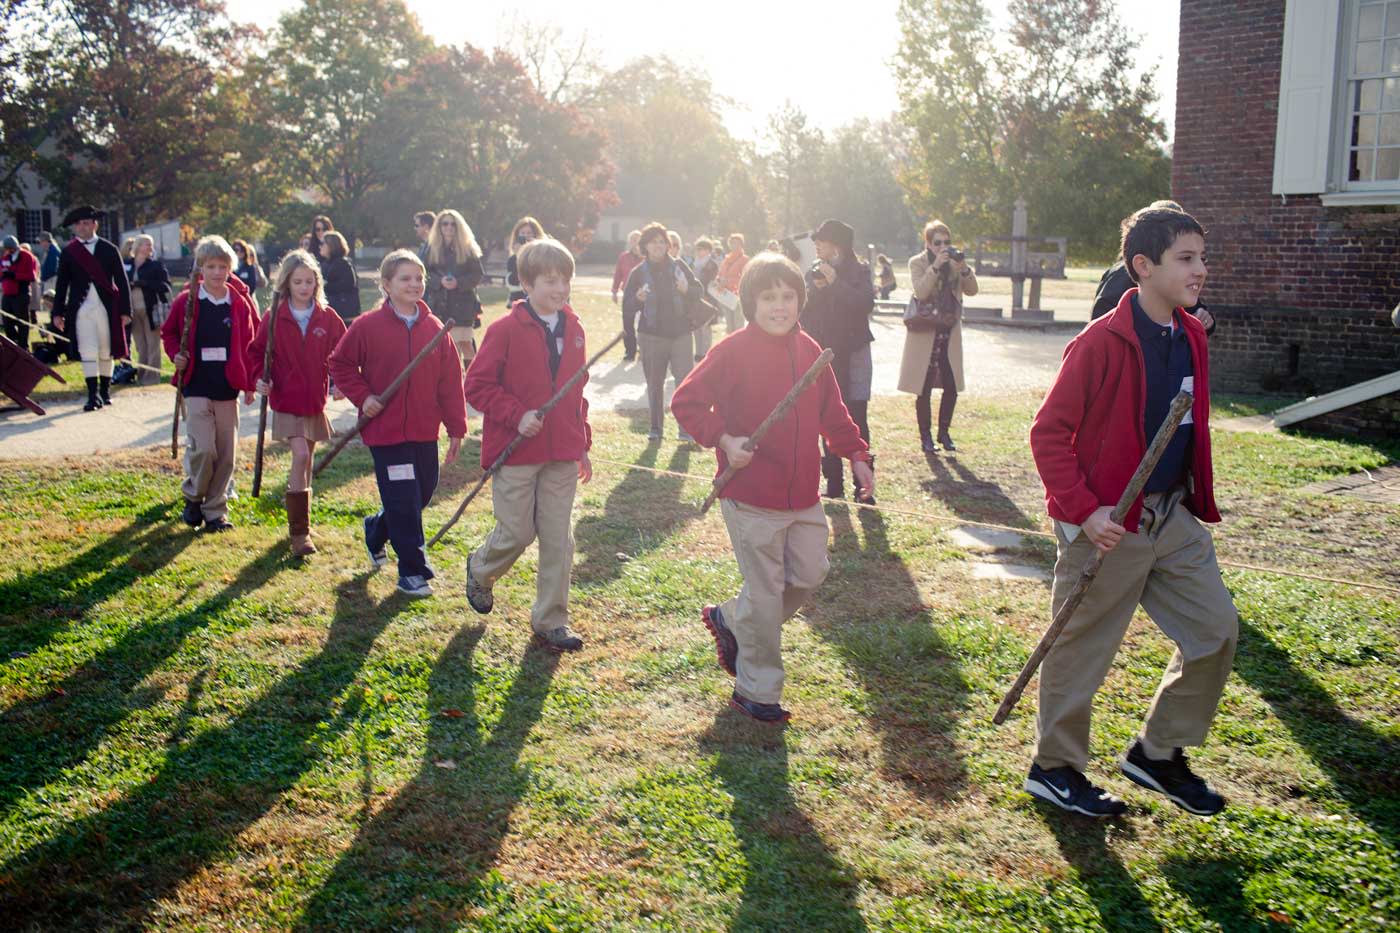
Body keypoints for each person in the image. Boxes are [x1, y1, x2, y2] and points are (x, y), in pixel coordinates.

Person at [1025, 207, 1235, 819]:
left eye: (1202, 256)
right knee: (1082, 647)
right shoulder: (1098, 343)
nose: (1201, 269)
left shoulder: (1191, 334)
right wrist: (1085, 512)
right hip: (1109, 522)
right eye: (1186, 258)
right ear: (1143, 267)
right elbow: (1048, 435)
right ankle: (1055, 768)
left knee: (1215, 629)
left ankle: (1157, 752)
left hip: (1171, 516)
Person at [671, 252, 874, 723]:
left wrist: (857, 454)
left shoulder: (810, 351)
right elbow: (687, 402)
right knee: (765, 592)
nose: (780, 307)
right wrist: (724, 438)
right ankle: (756, 689)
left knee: (808, 574)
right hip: (750, 495)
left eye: (788, 297)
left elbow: (833, 414)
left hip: (804, 495)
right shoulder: (732, 351)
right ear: (750, 303)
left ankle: (731, 619)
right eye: (768, 298)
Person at [463, 237, 593, 653]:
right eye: (550, 280)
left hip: (561, 452)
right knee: (518, 532)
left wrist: (582, 441)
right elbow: (477, 386)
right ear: (526, 283)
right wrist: (516, 414)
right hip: (517, 450)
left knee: (559, 537)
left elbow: (577, 391)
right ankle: (481, 568)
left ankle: (550, 620)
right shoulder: (504, 331)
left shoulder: (575, 329)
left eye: (565, 281)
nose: (559, 289)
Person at [327, 249, 467, 598]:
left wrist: (456, 427)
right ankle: (411, 572)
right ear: (386, 284)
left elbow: (450, 382)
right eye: (405, 278)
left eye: (419, 278)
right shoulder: (366, 326)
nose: (414, 284)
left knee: (421, 492)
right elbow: (340, 363)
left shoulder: (435, 329)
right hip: (385, 432)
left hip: (423, 430)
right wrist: (364, 397)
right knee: (404, 498)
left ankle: (377, 529)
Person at [249, 248, 348, 557]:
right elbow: (256, 352)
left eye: (309, 282)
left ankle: (301, 520)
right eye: (298, 282)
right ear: (286, 284)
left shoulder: (327, 317)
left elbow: (342, 354)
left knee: (305, 465)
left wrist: (340, 383)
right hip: (287, 400)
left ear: (317, 283)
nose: (304, 288)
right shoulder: (275, 317)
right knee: (301, 456)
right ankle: (299, 535)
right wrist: (258, 378)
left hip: (315, 401)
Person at [161, 235, 258, 531]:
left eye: (222, 266)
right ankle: (194, 496)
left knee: (226, 453)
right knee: (204, 448)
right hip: (196, 384)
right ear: (201, 268)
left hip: (227, 387)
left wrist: (250, 383)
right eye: (211, 266)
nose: (217, 272)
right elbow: (170, 333)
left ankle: (216, 511)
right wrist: (176, 354)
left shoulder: (238, 303)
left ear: (230, 269)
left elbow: (250, 344)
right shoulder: (187, 301)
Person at [801, 219, 876, 503]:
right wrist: (819, 290)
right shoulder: (813, 271)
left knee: (858, 417)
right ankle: (833, 483)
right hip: (825, 354)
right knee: (825, 416)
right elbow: (806, 314)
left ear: (838, 244)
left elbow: (864, 303)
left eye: (822, 240)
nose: (816, 244)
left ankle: (863, 485)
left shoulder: (860, 271)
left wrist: (835, 283)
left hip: (855, 353)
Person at [900, 220, 977, 454]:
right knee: (923, 388)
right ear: (928, 243)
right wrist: (935, 267)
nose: (942, 247)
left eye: (946, 242)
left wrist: (963, 268)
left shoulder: (956, 265)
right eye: (937, 243)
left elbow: (972, 290)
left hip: (948, 333)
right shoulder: (917, 263)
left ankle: (944, 433)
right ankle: (926, 437)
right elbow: (920, 292)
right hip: (925, 332)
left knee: (951, 386)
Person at [622, 222, 701, 442]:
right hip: (651, 336)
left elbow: (698, 291)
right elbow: (627, 307)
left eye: (662, 242)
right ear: (644, 246)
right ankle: (656, 429)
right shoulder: (637, 273)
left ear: (667, 245)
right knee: (655, 383)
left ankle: (685, 430)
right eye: (653, 242)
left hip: (681, 334)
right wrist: (637, 299)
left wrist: (686, 289)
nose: (658, 246)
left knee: (684, 382)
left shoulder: (679, 266)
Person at [1091, 199, 1215, 334]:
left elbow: (1190, 309)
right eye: (1186, 258)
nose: (1202, 271)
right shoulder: (1121, 273)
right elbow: (1102, 315)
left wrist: (1203, 316)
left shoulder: (1177, 287)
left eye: (1202, 259)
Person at [52, 205, 132, 411]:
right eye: (78, 224)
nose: (81, 227)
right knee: (87, 350)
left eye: (85, 223)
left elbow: (122, 282)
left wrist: (125, 310)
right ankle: (92, 395)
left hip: (107, 308)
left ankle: (105, 392)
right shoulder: (69, 252)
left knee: (106, 350)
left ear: (94, 224)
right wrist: (57, 312)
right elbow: (61, 285)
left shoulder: (109, 249)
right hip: (81, 309)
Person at [424, 209, 485, 371]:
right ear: (439, 226)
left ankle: (472, 379)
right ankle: (454, 378)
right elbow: (423, 273)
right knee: (447, 344)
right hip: (439, 304)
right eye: (445, 224)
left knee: (465, 343)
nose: (449, 227)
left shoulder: (468, 247)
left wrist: (458, 283)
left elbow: (477, 274)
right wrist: (439, 281)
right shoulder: (430, 248)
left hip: (463, 305)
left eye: (453, 224)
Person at [125, 234, 172, 385]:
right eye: (146, 244)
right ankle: (141, 375)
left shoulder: (156, 265)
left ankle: (152, 378)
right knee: (140, 345)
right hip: (132, 309)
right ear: (138, 245)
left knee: (153, 344)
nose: (150, 247)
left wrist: (144, 283)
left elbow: (165, 286)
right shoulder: (127, 264)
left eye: (151, 244)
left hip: (151, 309)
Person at [1, 235, 38, 350]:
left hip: (21, 293)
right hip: (7, 294)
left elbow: (31, 276)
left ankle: (23, 346)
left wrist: (14, 275)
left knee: (22, 322)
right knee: (7, 322)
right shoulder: (6, 258)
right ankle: (12, 344)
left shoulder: (27, 257)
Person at [611, 229, 644, 360]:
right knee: (627, 324)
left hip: (643, 295)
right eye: (633, 240)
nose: (635, 243)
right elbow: (618, 274)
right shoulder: (623, 257)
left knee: (643, 323)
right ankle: (629, 351)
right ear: (629, 242)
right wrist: (614, 291)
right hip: (628, 295)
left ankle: (643, 349)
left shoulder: (646, 258)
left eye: (638, 240)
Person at [319, 231, 361, 319]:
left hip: (344, 314)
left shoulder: (343, 263)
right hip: (333, 311)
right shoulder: (326, 264)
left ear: (331, 245)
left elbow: (348, 285)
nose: (320, 246)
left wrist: (324, 286)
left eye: (323, 243)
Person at [505, 216, 544, 307]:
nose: (526, 236)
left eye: (529, 233)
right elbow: (514, 282)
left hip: (540, 299)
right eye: (522, 233)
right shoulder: (512, 259)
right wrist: (519, 256)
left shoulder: (543, 256)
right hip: (520, 302)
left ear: (536, 235)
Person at [692, 237, 721, 361]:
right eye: (697, 249)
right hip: (695, 298)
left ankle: (706, 352)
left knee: (706, 326)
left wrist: (703, 293)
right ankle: (698, 352)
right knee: (696, 326)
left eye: (702, 249)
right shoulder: (694, 263)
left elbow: (711, 281)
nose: (699, 251)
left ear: (708, 250)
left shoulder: (712, 264)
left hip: (708, 298)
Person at [715, 233, 749, 333]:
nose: (734, 245)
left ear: (741, 244)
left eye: (736, 243)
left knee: (738, 324)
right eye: (732, 243)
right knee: (729, 325)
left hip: (737, 295)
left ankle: (740, 347)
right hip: (725, 294)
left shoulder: (745, 259)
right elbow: (720, 274)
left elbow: (745, 277)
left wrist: (728, 281)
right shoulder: (726, 259)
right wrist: (719, 281)